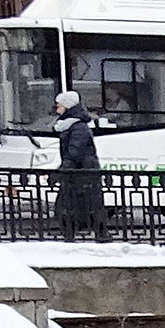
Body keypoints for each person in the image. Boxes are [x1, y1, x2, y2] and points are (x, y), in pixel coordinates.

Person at [53, 91, 107, 240]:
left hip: (83, 174)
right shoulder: (71, 125)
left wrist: (60, 172)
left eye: (59, 105)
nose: (56, 108)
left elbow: (74, 153)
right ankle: (77, 235)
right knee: (74, 207)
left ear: (67, 106)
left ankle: (95, 236)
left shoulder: (78, 128)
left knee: (74, 207)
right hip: (79, 174)